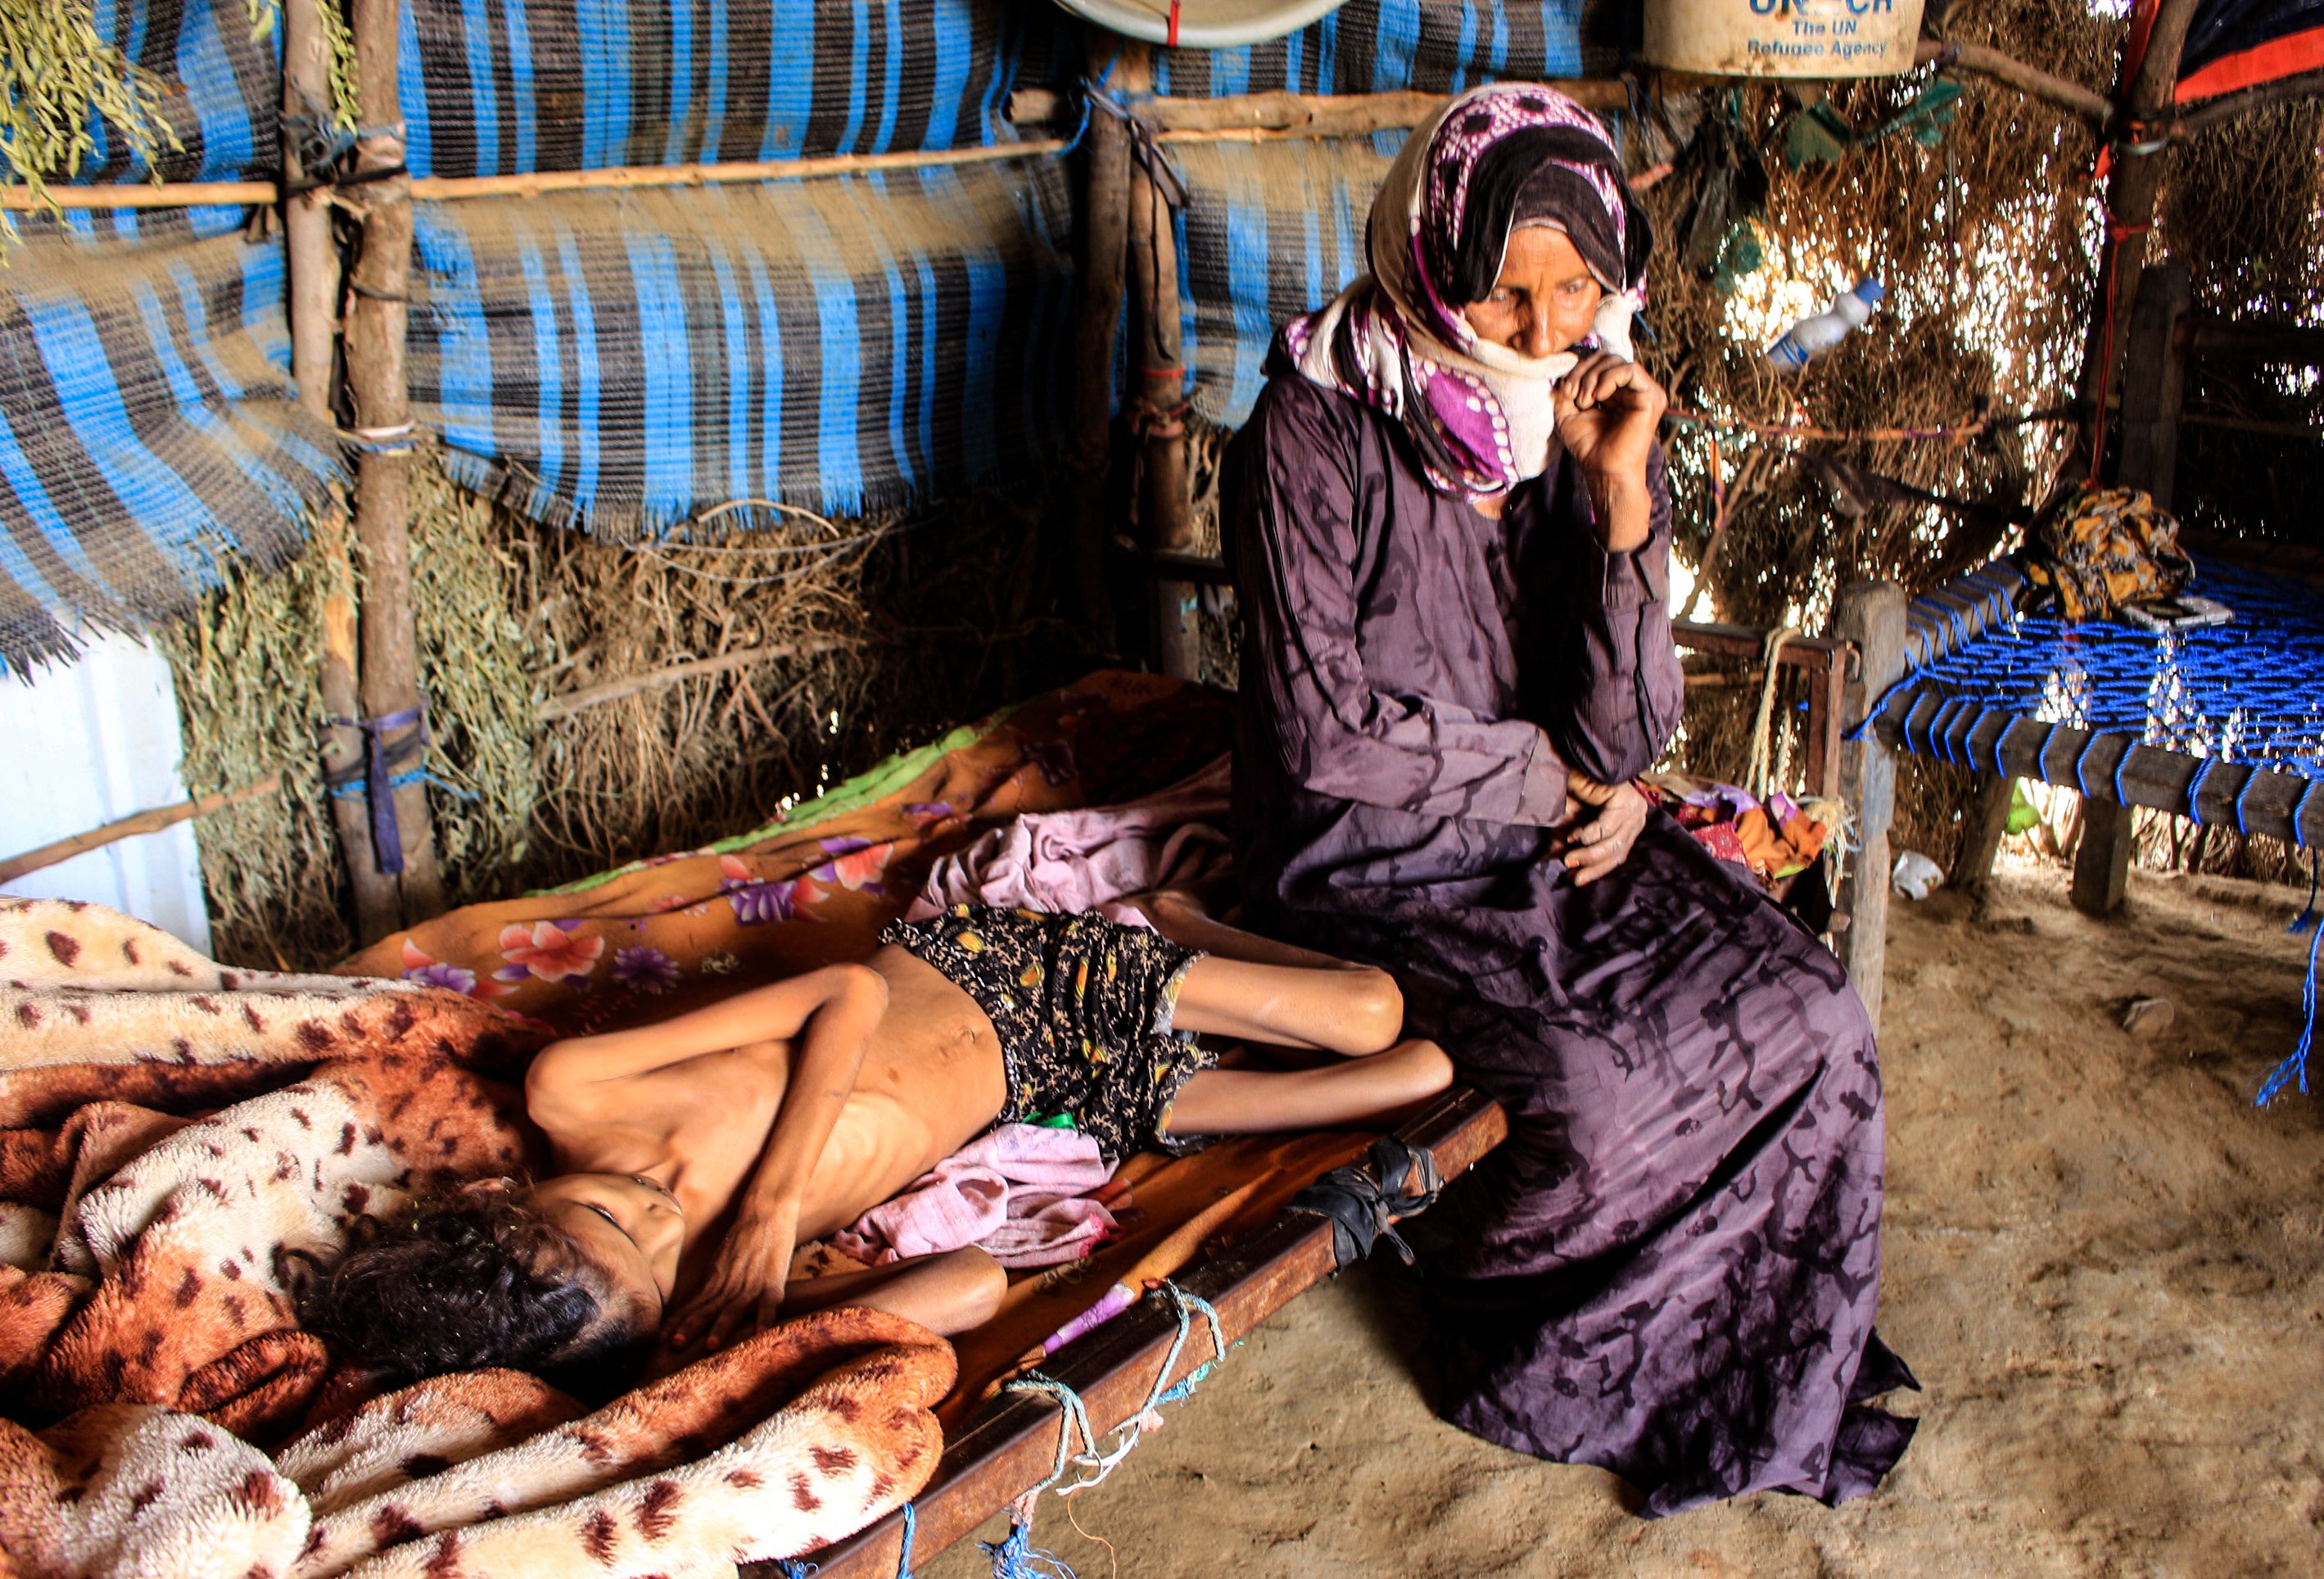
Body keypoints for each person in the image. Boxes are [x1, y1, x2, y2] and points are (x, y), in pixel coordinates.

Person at [1221, 81, 1914, 1514]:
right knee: (1595, 1100)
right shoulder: (1307, 433)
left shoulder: (1573, 417)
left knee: (1809, 1014)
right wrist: (1550, 778)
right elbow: (1320, 733)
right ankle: (1533, 1349)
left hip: (1555, 837)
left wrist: (1618, 501)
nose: (1546, 331)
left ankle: (1741, 1348)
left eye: (1580, 285)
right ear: (1428, 262)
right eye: (1504, 292)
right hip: (1369, 864)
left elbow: (1628, 725)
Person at [307, 897, 1453, 1384]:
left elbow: (847, 997)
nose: (661, 1225)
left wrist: (767, 1207)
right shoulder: (712, 1298)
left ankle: (1175, 928)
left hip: (1000, 977)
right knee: (1417, 1075)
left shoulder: (574, 1095)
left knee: (1372, 1014)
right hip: (1052, 1096)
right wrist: (738, 1349)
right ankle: (1184, 974)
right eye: (652, 1271)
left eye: (610, 1217)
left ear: (509, 1197)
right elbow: (965, 1287)